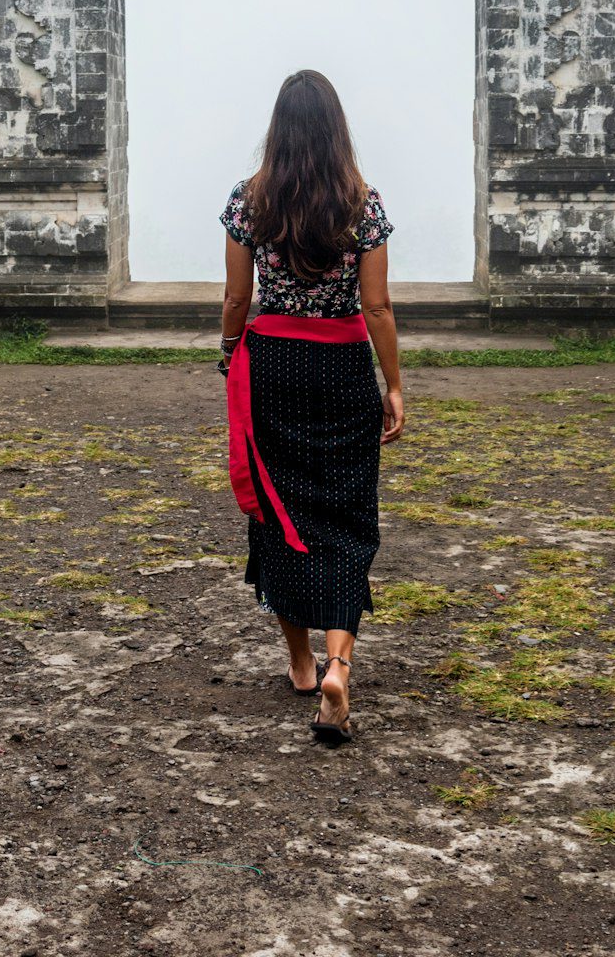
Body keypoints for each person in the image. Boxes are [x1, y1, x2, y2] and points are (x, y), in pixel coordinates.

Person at [219, 69, 404, 746]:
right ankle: (339, 665)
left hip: (272, 366)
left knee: (280, 512)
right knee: (345, 515)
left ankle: (299, 661)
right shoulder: (363, 204)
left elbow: (238, 301)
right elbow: (376, 307)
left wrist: (227, 351)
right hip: (341, 368)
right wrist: (393, 386)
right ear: (335, 130)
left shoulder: (247, 203)